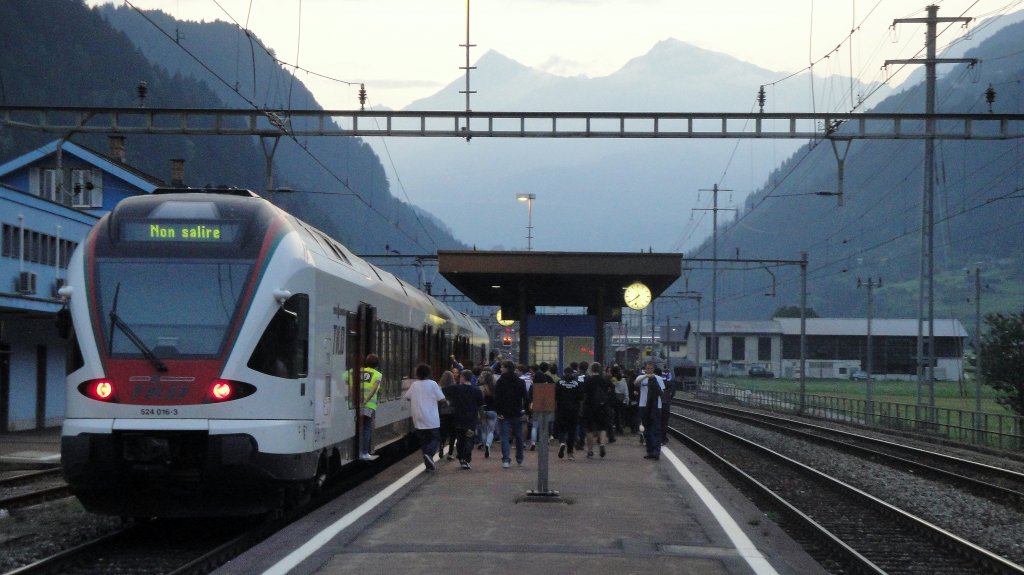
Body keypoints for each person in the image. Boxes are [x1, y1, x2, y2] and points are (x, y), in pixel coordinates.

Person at [403, 363, 447, 472]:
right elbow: (441, 399)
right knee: (435, 438)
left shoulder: (414, 385)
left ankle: (428, 465)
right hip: (431, 418)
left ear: (417, 374)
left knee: (424, 441)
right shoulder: (433, 384)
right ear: (428, 373)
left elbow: (407, 397)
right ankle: (429, 454)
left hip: (418, 418)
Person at [443, 369, 484, 469]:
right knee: (469, 439)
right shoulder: (477, 390)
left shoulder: (456, 388)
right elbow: (480, 406)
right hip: (471, 420)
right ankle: (465, 459)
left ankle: (461, 456)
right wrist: (481, 418)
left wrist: (449, 402)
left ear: (462, 377)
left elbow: (442, 391)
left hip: (458, 419)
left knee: (460, 439)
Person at [493, 360, 528, 468]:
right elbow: (526, 398)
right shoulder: (520, 382)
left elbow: (497, 398)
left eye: (502, 367)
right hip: (517, 413)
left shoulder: (500, 381)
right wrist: (525, 411)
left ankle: (506, 460)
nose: (500, 369)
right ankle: (520, 458)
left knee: (504, 437)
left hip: (504, 414)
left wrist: (498, 412)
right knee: (518, 436)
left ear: (506, 368)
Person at [581, 362, 613, 458]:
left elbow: (583, 392)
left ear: (591, 370)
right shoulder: (604, 380)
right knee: (602, 427)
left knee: (589, 429)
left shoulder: (587, 380)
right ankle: (602, 444)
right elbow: (610, 390)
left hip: (589, 406)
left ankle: (590, 450)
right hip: (602, 406)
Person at [635, 362, 666, 460]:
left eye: (651, 368)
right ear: (645, 369)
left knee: (656, 429)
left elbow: (662, 392)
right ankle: (650, 451)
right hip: (643, 406)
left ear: (654, 369)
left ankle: (656, 451)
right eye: (647, 368)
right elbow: (635, 383)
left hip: (656, 406)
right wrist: (645, 376)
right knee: (646, 429)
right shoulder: (641, 377)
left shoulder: (659, 379)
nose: (649, 370)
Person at [356, 353, 382, 461]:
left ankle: (358, 450)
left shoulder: (359, 372)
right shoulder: (377, 375)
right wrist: (365, 401)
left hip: (356, 404)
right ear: (377, 364)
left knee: (359, 428)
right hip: (368, 405)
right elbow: (373, 390)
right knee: (367, 428)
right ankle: (364, 452)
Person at [554, 366, 583, 460]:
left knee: (561, 428)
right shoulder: (576, 383)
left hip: (562, 409)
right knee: (572, 431)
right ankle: (570, 453)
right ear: (572, 373)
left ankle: (562, 442)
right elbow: (581, 397)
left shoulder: (559, 383)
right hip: (574, 410)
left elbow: (555, 395)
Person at [476, 369, 498, 458]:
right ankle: (488, 444)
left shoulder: (480, 388)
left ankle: (485, 445)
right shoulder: (494, 387)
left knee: (483, 430)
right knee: (491, 431)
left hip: (482, 410)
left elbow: (478, 401)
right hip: (493, 411)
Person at [437, 370, 458, 460]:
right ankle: (450, 453)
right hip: (453, 413)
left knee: (443, 432)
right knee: (453, 433)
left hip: (442, 413)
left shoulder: (439, 388)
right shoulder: (455, 388)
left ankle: (441, 445)